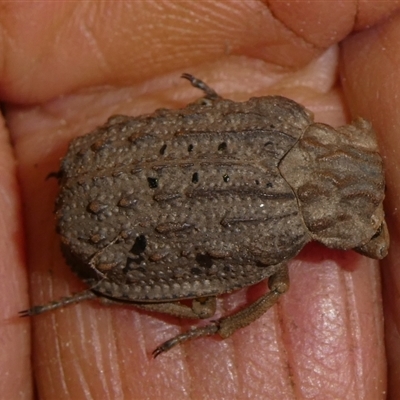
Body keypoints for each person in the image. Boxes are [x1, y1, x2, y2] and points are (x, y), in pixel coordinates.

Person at [1, 2, 399, 399]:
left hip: (98, 162)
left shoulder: (284, 119)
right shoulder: (280, 225)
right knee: (203, 307)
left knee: (207, 300)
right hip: (98, 220)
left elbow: (231, 116)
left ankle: (103, 292)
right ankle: (110, 297)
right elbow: (377, 247)